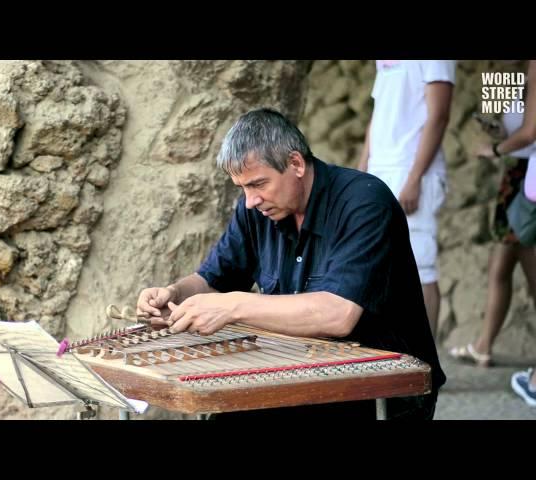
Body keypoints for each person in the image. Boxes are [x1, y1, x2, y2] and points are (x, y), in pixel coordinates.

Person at [136, 108, 446, 419]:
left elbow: (338, 316)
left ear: (296, 163)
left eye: (258, 184)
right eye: (242, 188)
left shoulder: (365, 202)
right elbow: (212, 280)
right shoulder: (256, 211)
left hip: (380, 388)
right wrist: (175, 294)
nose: (250, 200)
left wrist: (233, 307)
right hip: (299, 375)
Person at [357, 60, 456, 339]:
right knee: (380, 264)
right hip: (381, 170)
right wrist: (362, 172)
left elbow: (439, 116)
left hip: (411, 171)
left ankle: (427, 368)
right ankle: (396, 360)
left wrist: (415, 178)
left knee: (420, 264)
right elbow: (378, 115)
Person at [450, 61, 536, 370]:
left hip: (528, 183)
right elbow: (516, 129)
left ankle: (485, 347)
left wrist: (495, 149)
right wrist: (495, 130)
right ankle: (483, 346)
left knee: (527, 273)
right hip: (516, 178)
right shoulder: (514, 75)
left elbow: (529, 134)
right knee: (500, 267)